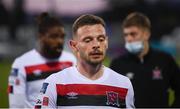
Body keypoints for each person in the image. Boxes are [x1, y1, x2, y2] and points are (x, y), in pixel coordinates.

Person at [35, 14, 135, 109]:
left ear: (107, 42)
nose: (96, 44)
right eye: (88, 40)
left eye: (101, 39)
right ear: (74, 46)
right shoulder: (54, 84)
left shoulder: (124, 85)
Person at [110, 12, 180, 108]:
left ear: (146, 34)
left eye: (133, 34)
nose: (128, 39)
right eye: (126, 35)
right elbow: (110, 98)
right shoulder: (117, 64)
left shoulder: (165, 60)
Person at [8, 12, 77, 108]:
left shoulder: (71, 60)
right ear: (40, 37)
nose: (60, 41)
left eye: (62, 36)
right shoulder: (21, 64)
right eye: (54, 36)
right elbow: (16, 105)